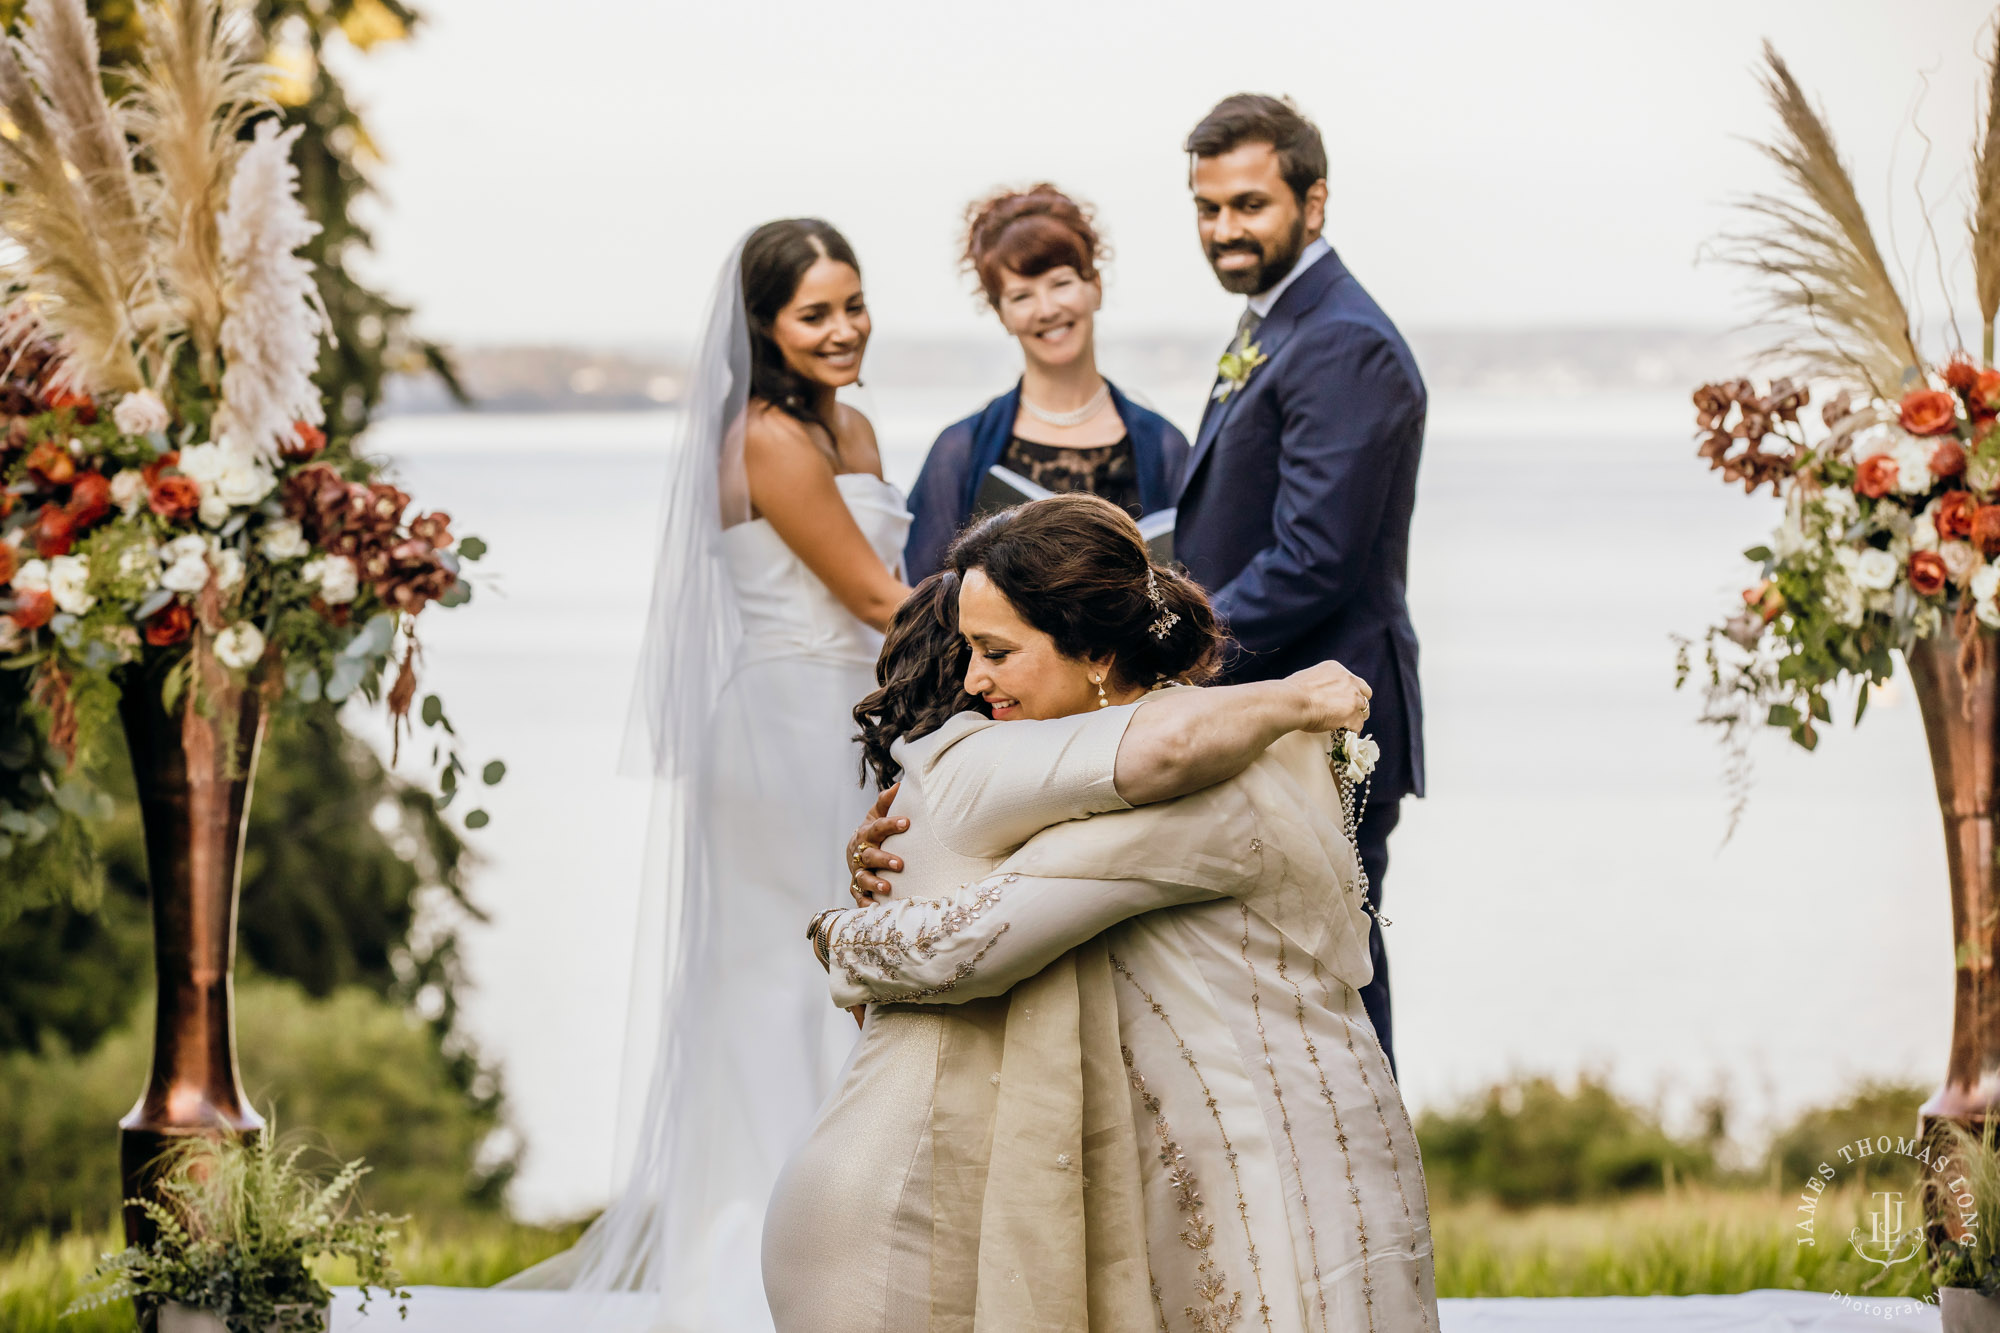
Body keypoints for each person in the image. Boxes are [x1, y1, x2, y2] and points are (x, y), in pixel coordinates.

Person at [762, 495, 1435, 1333]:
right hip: (1227, 1171)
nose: (975, 682)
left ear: (1098, 650)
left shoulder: (1193, 792)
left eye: (998, 652)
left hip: (1284, 1174)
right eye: (970, 652)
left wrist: (834, 932)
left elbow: (970, 941)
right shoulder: (1058, 783)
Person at [504, 219, 910, 1329]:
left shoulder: (855, 423)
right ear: (765, 328)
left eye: (853, 303)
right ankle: (757, 1250)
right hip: (782, 727)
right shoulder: (768, 439)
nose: (842, 328)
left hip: (857, 720)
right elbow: (878, 600)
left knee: (857, 968)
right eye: (814, 312)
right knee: (776, 982)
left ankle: (868, 1232)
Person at [1175, 94, 1427, 1074]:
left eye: (1248, 204)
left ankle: (1374, 1216)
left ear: (1311, 203)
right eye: (1207, 208)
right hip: (1276, 710)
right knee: (1286, 992)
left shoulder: (1341, 342)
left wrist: (1163, 647)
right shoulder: (1278, 323)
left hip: (1330, 720)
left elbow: (1312, 560)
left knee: (1337, 992)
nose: (1224, 230)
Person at [903, 185, 1189, 579]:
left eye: (1060, 283)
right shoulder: (960, 450)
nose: (1047, 309)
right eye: (1021, 296)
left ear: (1096, 288)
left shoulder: (1164, 446)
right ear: (1001, 314)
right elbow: (924, 598)